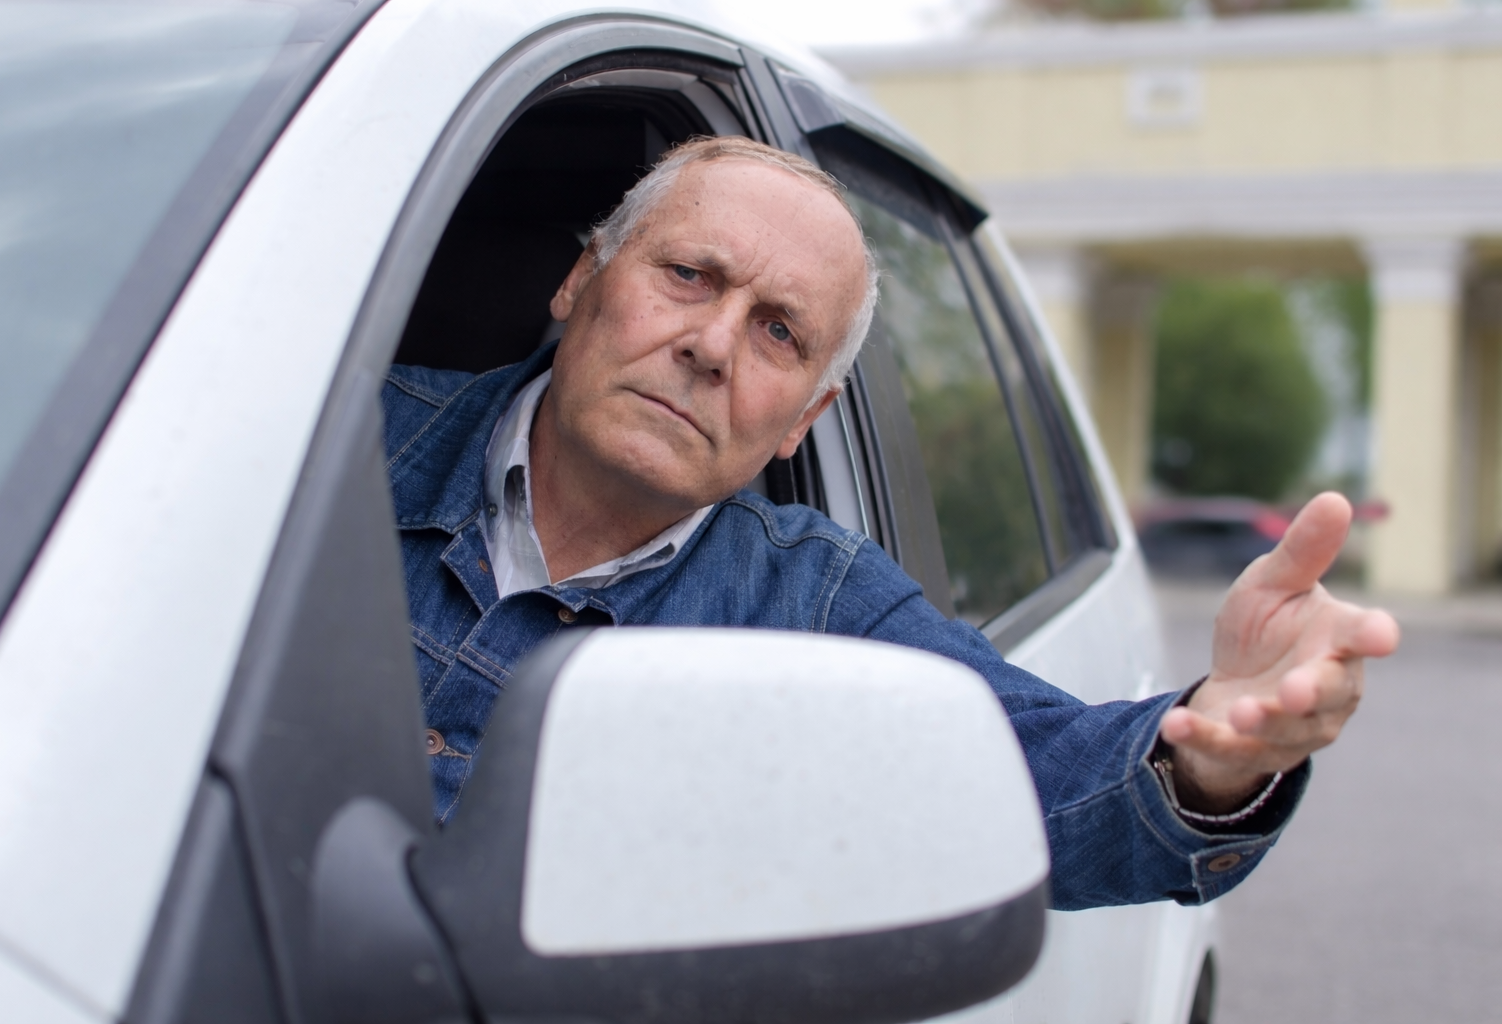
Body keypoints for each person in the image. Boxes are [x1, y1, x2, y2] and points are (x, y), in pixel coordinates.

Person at [381, 136, 1399, 910]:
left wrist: (1213, 756)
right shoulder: (331, 431)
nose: (713, 345)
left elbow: (1030, 776)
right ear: (580, 279)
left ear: (804, 421)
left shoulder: (821, 608)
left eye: (779, 331)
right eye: (689, 276)